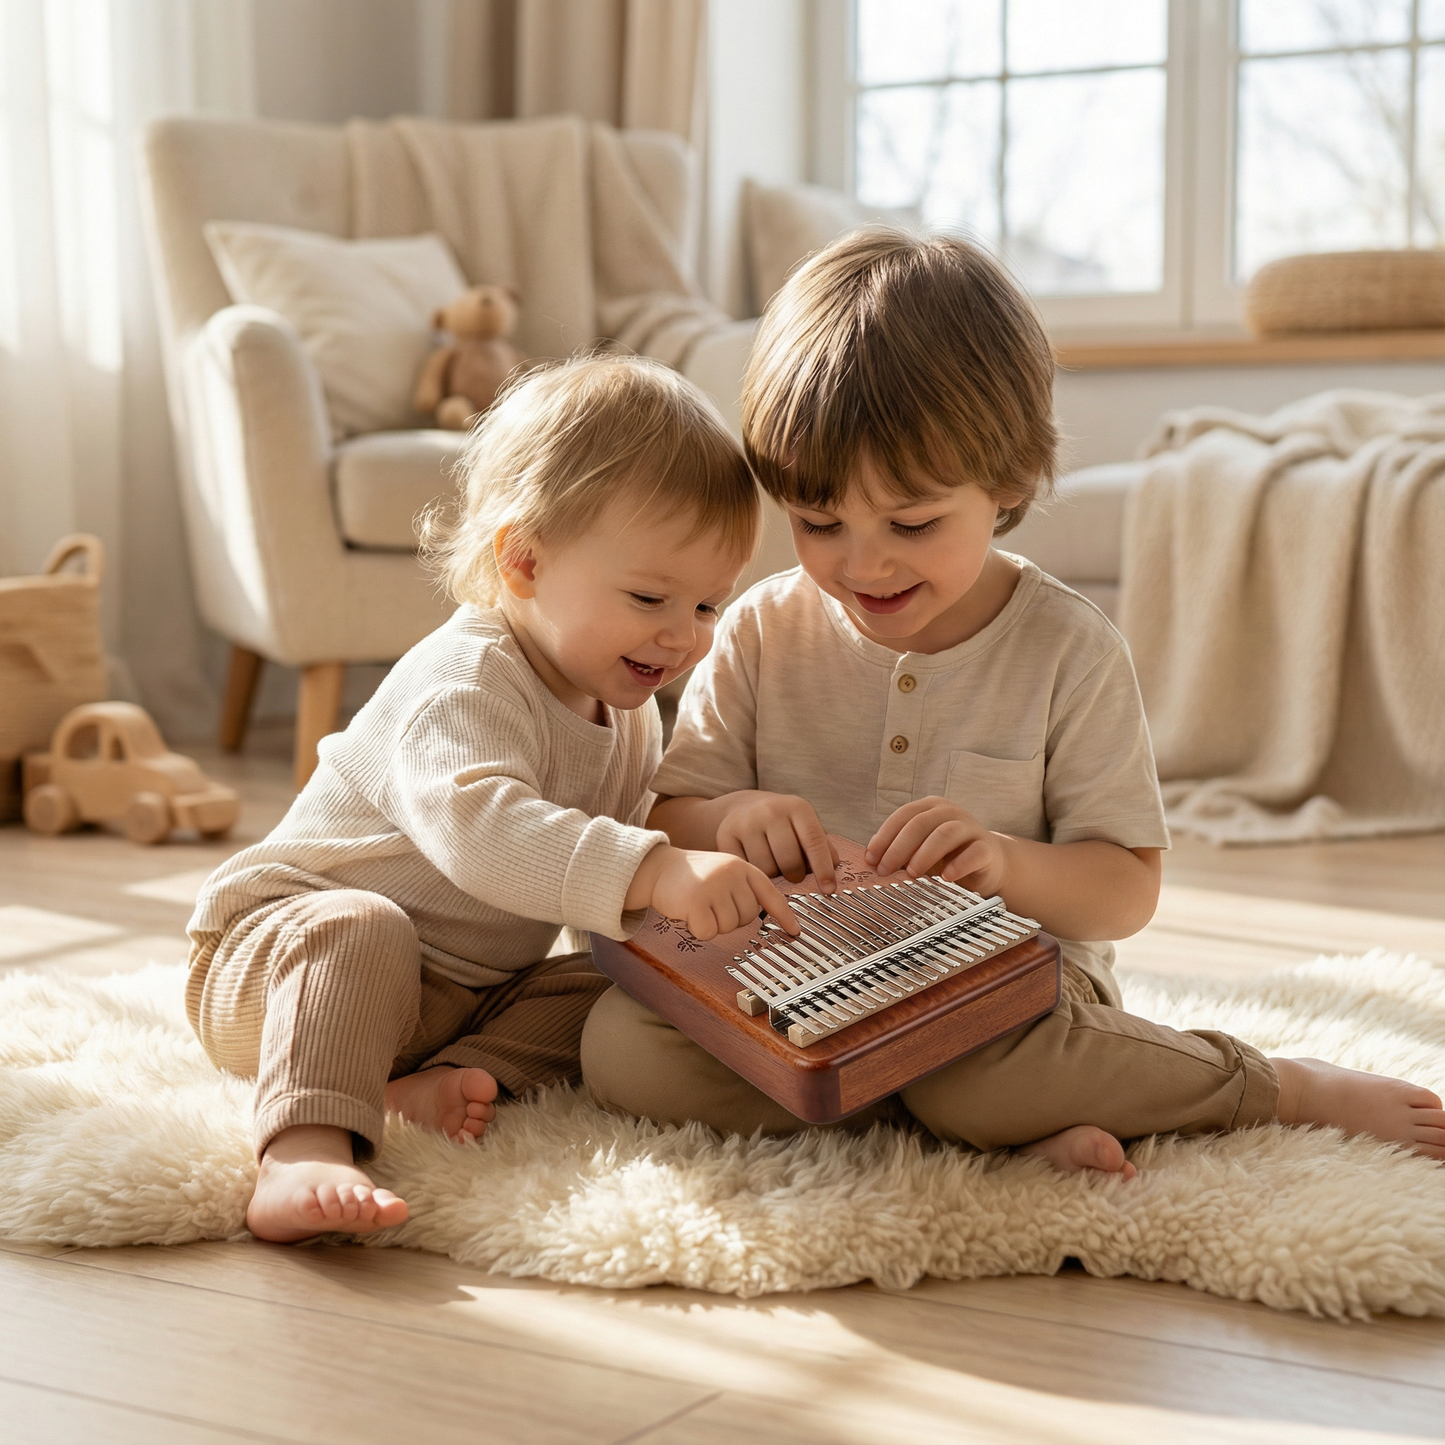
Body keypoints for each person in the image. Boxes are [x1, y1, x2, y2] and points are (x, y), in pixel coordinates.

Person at [580, 232, 1445, 1172]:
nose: (861, 563)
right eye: (818, 522)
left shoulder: (1067, 647)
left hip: (1009, 996)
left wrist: (998, 863)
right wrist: (732, 817)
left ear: (1007, 482)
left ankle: (1271, 1083)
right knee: (622, 1052)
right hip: (800, 983)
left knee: (982, 1074)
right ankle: (980, 1136)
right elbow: (666, 817)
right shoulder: (755, 630)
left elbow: (1124, 888)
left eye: (911, 523)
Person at [186, 356, 801, 1243]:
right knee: (362, 924)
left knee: (629, 978)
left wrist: (712, 841)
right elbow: (483, 833)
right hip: (285, 961)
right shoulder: (464, 681)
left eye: (709, 604)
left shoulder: (626, 713)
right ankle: (304, 1148)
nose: (683, 635)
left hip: (459, 994)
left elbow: (602, 871)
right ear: (523, 561)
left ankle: (436, 1080)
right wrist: (656, 868)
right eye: (648, 597)